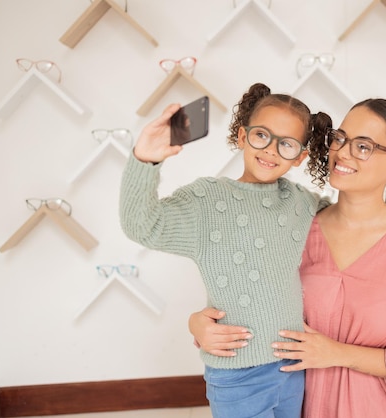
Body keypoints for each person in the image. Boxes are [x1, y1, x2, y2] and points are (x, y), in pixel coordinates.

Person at [189, 98, 386, 417]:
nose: (342, 152)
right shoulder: (297, 229)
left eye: (363, 146)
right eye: (340, 139)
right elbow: (251, 311)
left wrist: (338, 353)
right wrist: (198, 326)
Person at [119, 82, 332, 418]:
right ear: (243, 136)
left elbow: (351, 222)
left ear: (301, 156)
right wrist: (145, 159)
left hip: (294, 367)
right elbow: (142, 225)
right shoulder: (207, 200)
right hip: (237, 375)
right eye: (262, 135)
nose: (272, 150)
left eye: (287, 144)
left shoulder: (302, 203)